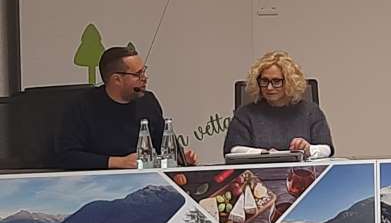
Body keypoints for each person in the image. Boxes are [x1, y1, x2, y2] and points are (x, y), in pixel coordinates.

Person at [56, 46, 197, 169]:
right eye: (138, 74)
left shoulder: (148, 101)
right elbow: (67, 156)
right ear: (117, 79)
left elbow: (163, 144)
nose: (145, 78)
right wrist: (119, 162)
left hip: (146, 178)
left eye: (144, 71)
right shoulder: (82, 105)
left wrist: (179, 158)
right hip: (99, 182)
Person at [224, 51, 334, 159]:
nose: (269, 87)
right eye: (264, 81)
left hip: (303, 174)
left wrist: (308, 149)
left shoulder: (311, 111)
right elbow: (233, 150)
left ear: (290, 82)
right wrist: (264, 154)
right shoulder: (245, 114)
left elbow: (326, 149)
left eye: (276, 81)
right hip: (257, 175)